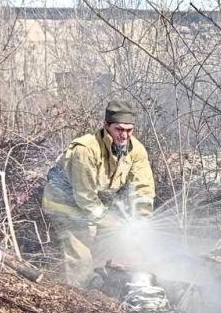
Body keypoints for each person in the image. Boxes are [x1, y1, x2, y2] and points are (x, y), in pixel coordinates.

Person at [42, 99, 155, 286]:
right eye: (119, 129)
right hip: (64, 203)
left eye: (129, 130)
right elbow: (84, 197)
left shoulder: (136, 150)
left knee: (111, 242)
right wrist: (113, 223)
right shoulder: (86, 150)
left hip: (92, 203)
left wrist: (141, 218)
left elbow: (144, 187)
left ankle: (104, 280)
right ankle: (81, 294)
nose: (124, 135)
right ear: (106, 126)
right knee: (81, 250)